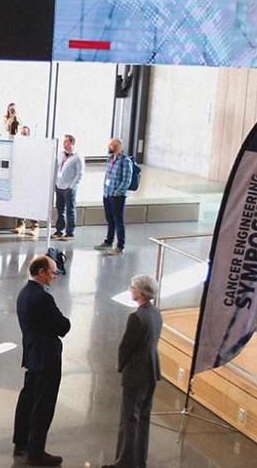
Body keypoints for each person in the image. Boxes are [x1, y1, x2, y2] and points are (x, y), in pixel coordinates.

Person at [13, 255, 71, 466]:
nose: (54, 277)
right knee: (43, 404)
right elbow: (62, 326)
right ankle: (36, 451)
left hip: (32, 353)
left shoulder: (24, 293)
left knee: (27, 399)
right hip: (47, 357)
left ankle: (21, 442)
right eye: (53, 273)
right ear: (41, 272)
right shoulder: (43, 297)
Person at [104, 275, 162, 468]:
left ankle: (124, 461)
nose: (131, 290)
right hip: (151, 370)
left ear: (141, 292)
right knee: (143, 417)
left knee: (129, 418)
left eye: (133, 287)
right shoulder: (155, 313)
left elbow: (126, 347)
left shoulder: (136, 318)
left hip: (136, 373)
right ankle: (139, 459)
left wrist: (120, 365)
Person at [96, 138, 132, 255]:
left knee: (118, 220)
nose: (110, 147)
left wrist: (118, 192)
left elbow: (126, 180)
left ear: (118, 147)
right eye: (110, 145)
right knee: (109, 219)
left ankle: (120, 246)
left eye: (112, 145)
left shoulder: (125, 161)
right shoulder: (110, 158)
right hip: (107, 193)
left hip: (117, 196)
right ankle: (108, 241)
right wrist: (106, 191)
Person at [52, 134, 84, 241]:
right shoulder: (61, 154)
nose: (64, 143)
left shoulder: (77, 157)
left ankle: (69, 232)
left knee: (70, 210)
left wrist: (72, 186)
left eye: (66, 141)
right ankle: (59, 230)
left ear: (72, 143)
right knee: (60, 208)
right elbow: (56, 168)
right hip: (59, 185)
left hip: (69, 187)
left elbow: (79, 173)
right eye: (63, 141)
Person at [14, 126, 39, 236]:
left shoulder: (34, 148)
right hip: (21, 179)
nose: (23, 136)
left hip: (32, 179)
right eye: (22, 134)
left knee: (32, 202)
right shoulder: (18, 147)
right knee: (20, 203)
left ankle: (35, 226)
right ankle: (21, 224)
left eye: (25, 134)